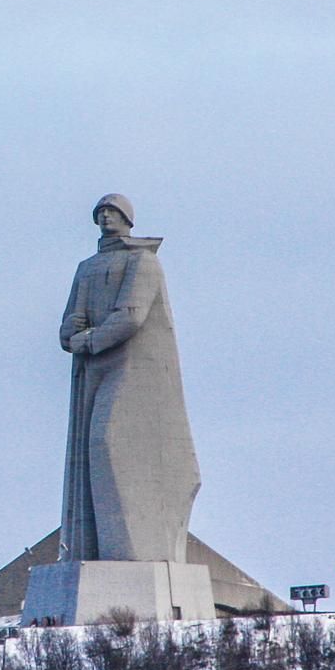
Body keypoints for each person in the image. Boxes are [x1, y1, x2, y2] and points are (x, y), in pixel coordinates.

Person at [58, 194, 201, 564]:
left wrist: (88, 341)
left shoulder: (144, 262)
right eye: (101, 213)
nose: (106, 218)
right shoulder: (86, 267)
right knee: (88, 453)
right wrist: (70, 332)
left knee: (109, 442)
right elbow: (70, 318)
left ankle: (134, 554)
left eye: (113, 212)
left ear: (127, 218)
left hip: (133, 368)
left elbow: (131, 315)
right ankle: (98, 554)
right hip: (93, 368)